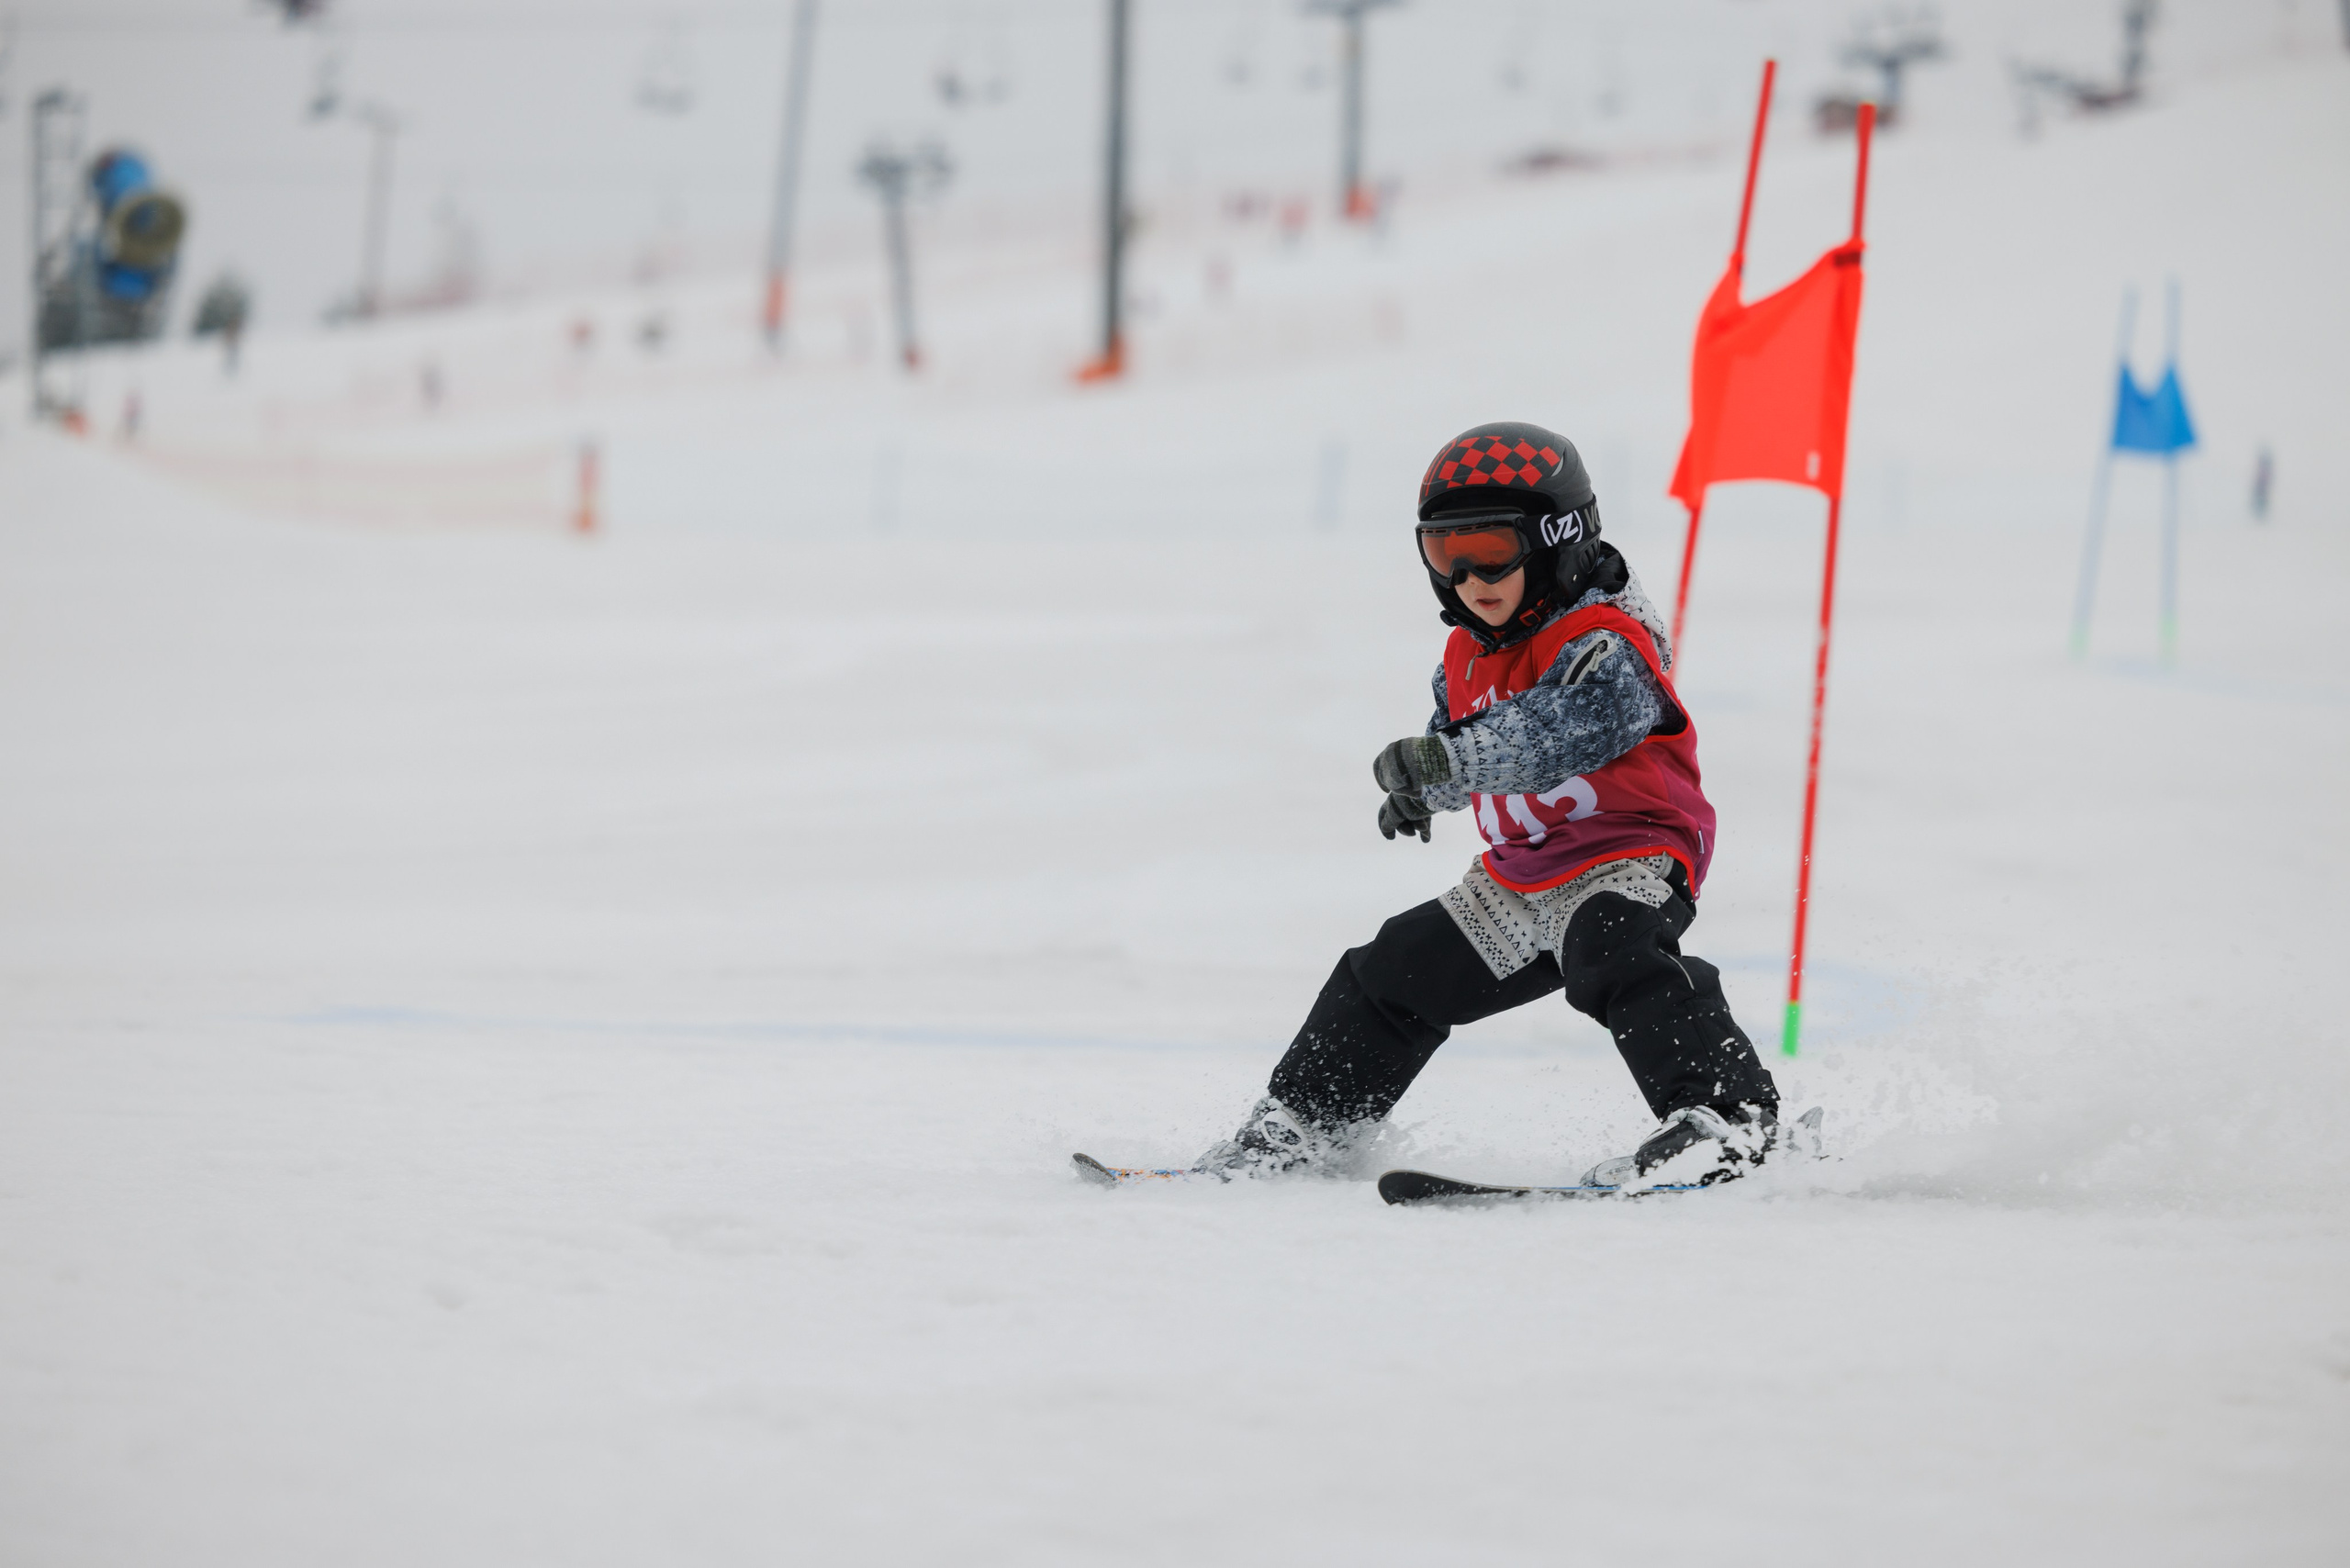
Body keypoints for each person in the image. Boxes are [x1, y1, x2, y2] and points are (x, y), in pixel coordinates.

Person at [1201, 420, 1780, 1190]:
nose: (1470, 578)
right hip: (1518, 878)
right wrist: (1425, 789)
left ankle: (1728, 1121)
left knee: (1616, 950)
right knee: (1391, 971)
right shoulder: (1467, 650)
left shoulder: (1607, 641)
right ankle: (1308, 1127)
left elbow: (1560, 733)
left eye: (1492, 551)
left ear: (1557, 541)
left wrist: (1446, 760)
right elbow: (1466, 740)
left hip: (1627, 856)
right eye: (1445, 555)